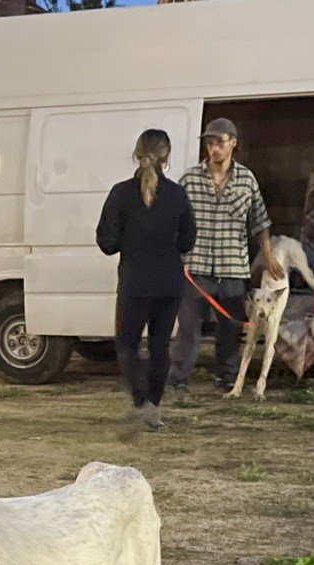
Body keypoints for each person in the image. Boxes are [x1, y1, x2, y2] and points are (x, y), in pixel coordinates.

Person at [167, 117, 285, 395]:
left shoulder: (246, 179)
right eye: (210, 142)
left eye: (220, 142)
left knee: (229, 327)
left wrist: (268, 256)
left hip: (233, 265)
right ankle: (178, 379)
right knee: (188, 326)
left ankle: (227, 378)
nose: (214, 148)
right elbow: (174, 221)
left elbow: (260, 221)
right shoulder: (190, 179)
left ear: (233, 143)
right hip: (195, 265)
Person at [96, 128, 197, 430]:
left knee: (127, 344)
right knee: (159, 346)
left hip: (134, 282)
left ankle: (140, 401)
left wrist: (129, 241)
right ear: (167, 158)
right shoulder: (178, 195)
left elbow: (107, 243)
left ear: (136, 154)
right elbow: (188, 241)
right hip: (169, 283)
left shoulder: (120, 193)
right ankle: (154, 405)